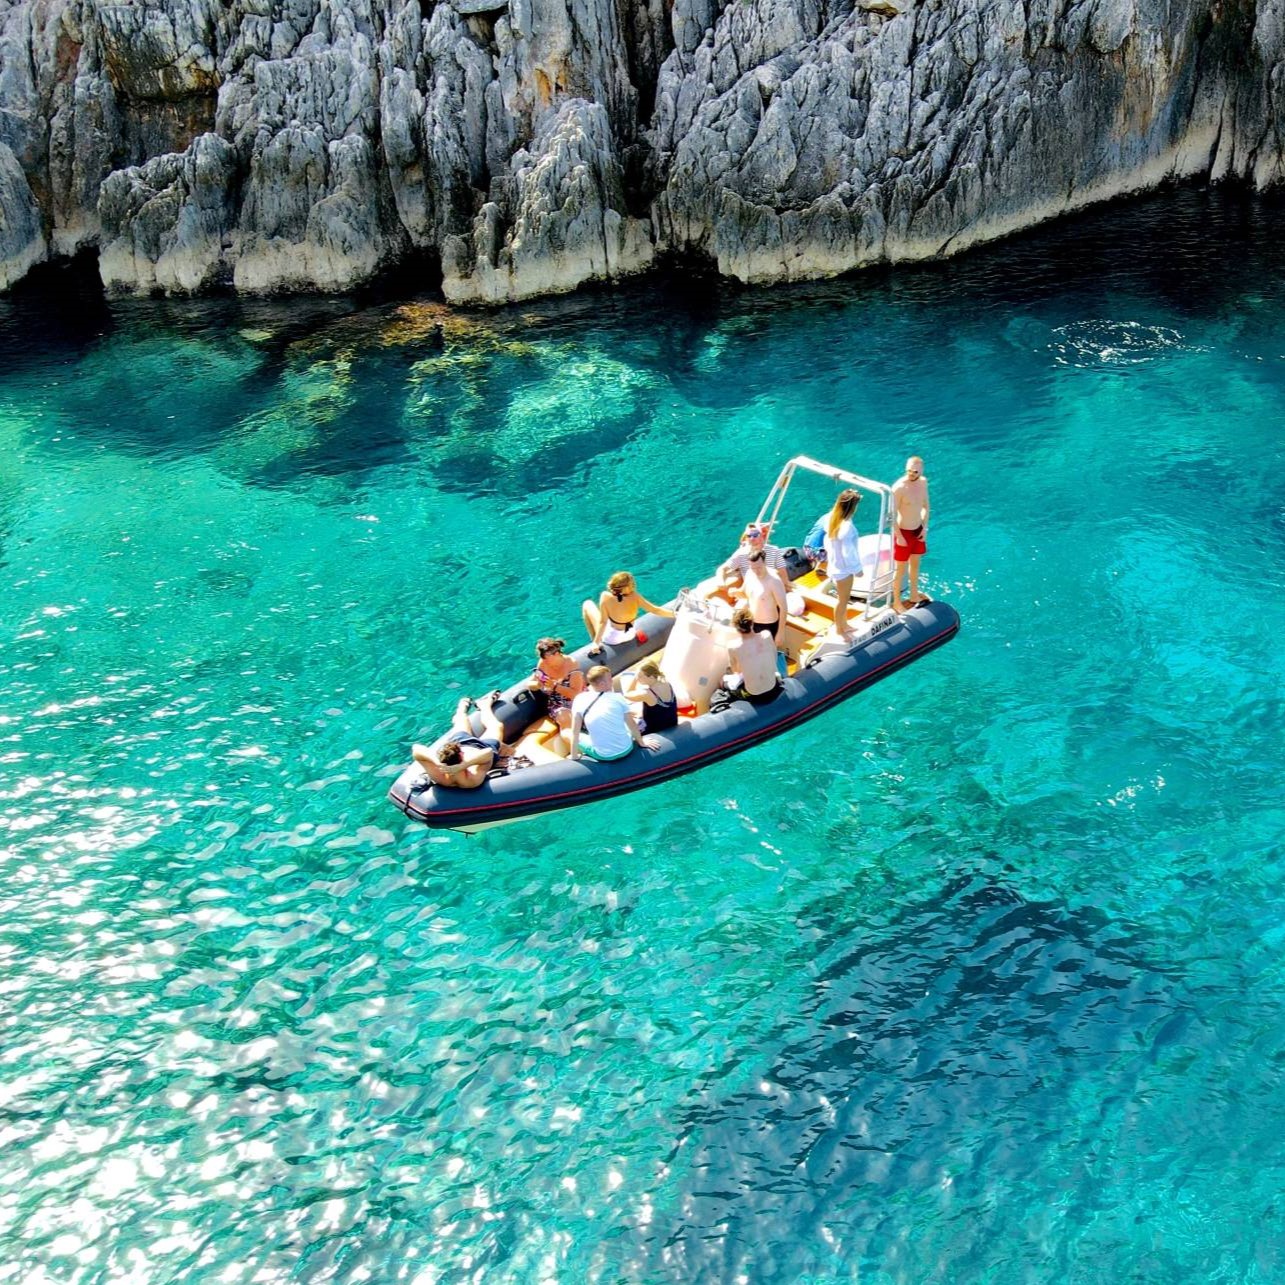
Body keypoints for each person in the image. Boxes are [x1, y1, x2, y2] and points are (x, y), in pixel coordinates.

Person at [412, 693, 508, 789]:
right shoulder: (471, 780)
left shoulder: (441, 777)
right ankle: (484, 705)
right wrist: (464, 765)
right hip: (483, 747)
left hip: (461, 743)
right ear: (462, 755)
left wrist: (437, 762)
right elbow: (488, 752)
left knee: (460, 723)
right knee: (496, 726)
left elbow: (416, 748)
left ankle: (462, 707)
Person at [569, 665, 658, 761]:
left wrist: (574, 757)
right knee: (627, 722)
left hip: (603, 755)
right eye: (610, 680)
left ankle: (575, 754)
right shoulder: (618, 697)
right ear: (603, 684)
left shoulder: (579, 699)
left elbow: (575, 732)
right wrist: (641, 742)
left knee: (577, 736)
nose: (612, 682)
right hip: (627, 749)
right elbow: (631, 723)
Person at [583, 572, 674, 655]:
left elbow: (603, 622)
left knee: (587, 604)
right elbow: (656, 610)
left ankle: (594, 642)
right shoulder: (635, 596)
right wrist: (675, 614)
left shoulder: (605, 596)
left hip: (612, 638)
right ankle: (597, 641)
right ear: (626, 587)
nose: (634, 585)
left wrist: (596, 642)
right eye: (632, 583)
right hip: (630, 634)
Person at [711, 606, 784, 707]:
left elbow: (736, 671)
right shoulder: (767, 635)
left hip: (754, 695)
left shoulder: (733, 646)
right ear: (752, 623)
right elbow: (774, 655)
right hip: (773, 687)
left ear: (736, 628)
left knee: (722, 681)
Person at [526, 636, 585, 748]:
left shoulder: (572, 664)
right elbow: (530, 683)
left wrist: (554, 686)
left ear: (557, 654)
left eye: (548, 660)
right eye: (544, 659)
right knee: (566, 722)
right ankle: (583, 747)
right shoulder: (543, 663)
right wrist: (537, 684)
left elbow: (576, 694)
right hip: (557, 702)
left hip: (577, 697)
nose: (546, 663)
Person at [822, 489, 864, 639]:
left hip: (835, 567)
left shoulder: (832, 519)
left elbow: (828, 543)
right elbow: (848, 553)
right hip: (843, 570)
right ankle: (840, 628)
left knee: (842, 599)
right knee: (843, 600)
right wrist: (857, 570)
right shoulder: (847, 528)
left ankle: (843, 624)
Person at [891, 456, 930, 611]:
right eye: (909, 470)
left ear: (921, 471)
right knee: (900, 569)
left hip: (918, 530)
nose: (911, 474)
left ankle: (914, 594)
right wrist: (899, 536)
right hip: (904, 532)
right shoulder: (899, 487)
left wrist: (924, 528)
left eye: (915, 471)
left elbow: (926, 506)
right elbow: (892, 515)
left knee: (915, 565)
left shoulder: (923, 482)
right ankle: (896, 601)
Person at [719, 523, 792, 599]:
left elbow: (783, 575)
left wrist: (783, 592)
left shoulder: (774, 550)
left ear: (761, 535)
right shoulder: (740, 554)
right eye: (749, 536)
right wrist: (721, 582)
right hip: (753, 594)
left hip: (773, 591)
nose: (752, 538)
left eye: (755, 535)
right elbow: (722, 569)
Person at [737, 547, 789, 646]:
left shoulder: (774, 581)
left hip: (769, 625)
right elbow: (744, 592)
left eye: (759, 568)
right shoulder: (749, 574)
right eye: (753, 568)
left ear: (765, 563)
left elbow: (784, 608)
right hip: (753, 622)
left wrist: (780, 633)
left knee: (770, 654)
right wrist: (735, 592)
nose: (757, 571)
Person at [624, 659, 679, 735]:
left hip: (655, 731)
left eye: (640, 676)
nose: (638, 678)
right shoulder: (667, 683)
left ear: (652, 677)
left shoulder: (647, 693)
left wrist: (635, 679)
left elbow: (627, 694)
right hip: (672, 725)